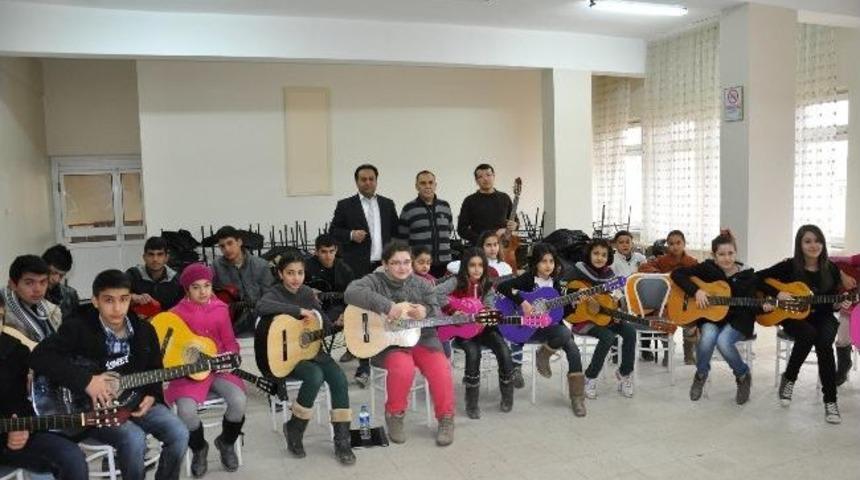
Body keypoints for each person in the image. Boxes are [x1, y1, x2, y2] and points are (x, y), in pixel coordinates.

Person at [30, 270, 189, 480]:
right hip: (90, 408)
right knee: (134, 439)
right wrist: (86, 381)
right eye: (108, 301)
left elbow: (155, 368)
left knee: (179, 433)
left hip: (135, 400)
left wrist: (152, 393)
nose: (117, 308)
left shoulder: (144, 331)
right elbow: (39, 357)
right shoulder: (78, 328)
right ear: (95, 301)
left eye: (124, 300)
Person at [344, 241, 455, 446]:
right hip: (389, 343)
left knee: (441, 368)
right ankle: (394, 415)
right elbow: (350, 292)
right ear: (385, 264)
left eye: (406, 262)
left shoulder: (422, 284)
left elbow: (435, 310)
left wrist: (425, 311)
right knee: (402, 369)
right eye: (396, 263)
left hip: (423, 339)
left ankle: (446, 419)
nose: (403, 267)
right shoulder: (375, 280)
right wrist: (386, 305)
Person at [257, 251, 356, 464]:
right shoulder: (274, 293)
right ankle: (295, 428)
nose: (295, 278)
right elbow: (261, 306)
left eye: (300, 273)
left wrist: (334, 323)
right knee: (314, 376)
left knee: (339, 378)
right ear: (281, 274)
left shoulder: (308, 293)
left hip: (313, 350)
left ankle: (342, 439)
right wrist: (298, 309)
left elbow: (322, 323)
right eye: (290, 273)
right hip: (288, 357)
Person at [758, 225, 853, 424]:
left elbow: (833, 302)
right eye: (808, 241)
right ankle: (790, 378)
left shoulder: (831, 268)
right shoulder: (789, 266)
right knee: (809, 334)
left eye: (817, 240)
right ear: (799, 244)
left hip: (823, 315)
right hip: (793, 316)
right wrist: (778, 293)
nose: (813, 245)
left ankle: (830, 401)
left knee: (824, 344)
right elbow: (757, 277)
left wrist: (840, 302)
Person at [671, 230, 771, 404]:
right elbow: (677, 274)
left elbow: (753, 305)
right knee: (708, 336)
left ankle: (742, 375)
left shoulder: (747, 276)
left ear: (736, 253)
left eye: (730, 253)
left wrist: (764, 308)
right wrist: (697, 291)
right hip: (711, 316)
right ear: (714, 255)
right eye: (721, 254)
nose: (727, 258)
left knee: (723, 341)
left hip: (739, 319)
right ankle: (701, 374)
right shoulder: (708, 268)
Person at [165, 264, 246, 477]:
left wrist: (232, 357)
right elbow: (169, 353)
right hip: (188, 373)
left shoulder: (220, 309)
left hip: (219, 368)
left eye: (207, 286)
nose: (203, 292)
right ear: (186, 290)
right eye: (196, 287)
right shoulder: (175, 314)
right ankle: (199, 448)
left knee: (239, 401)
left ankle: (226, 442)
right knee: (186, 411)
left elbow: (230, 342)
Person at [0, 293, 88, 480]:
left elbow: (23, 400)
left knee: (72, 457)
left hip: (12, 435)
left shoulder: (14, 350)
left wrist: (21, 427)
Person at [496, 243, 586, 416]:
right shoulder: (527, 279)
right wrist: (522, 301)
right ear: (535, 263)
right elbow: (503, 287)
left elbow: (559, 313)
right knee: (565, 333)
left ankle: (577, 397)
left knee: (572, 347)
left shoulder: (557, 283)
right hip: (528, 327)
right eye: (543, 261)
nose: (548, 265)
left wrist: (572, 304)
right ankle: (543, 354)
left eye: (551, 261)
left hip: (550, 327)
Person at [435, 248, 513, 418]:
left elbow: (490, 306)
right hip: (462, 330)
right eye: (472, 265)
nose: (476, 269)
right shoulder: (456, 282)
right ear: (465, 267)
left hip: (484, 329)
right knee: (473, 352)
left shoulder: (487, 285)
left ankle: (507, 395)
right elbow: (436, 293)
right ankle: (472, 403)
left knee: (504, 350)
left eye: (480, 265)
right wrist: (451, 310)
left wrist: (486, 313)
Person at [568, 239, 637, 399]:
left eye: (604, 255)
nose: (600, 258)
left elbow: (618, 295)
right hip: (583, 319)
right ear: (589, 254)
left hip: (606, 317)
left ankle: (624, 373)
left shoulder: (610, 275)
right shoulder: (578, 270)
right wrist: (584, 296)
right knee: (607, 337)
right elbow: (566, 288)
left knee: (630, 331)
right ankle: (589, 377)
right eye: (596, 254)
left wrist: (619, 310)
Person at [639, 230, 699, 365]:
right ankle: (667, 352)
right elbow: (643, 267)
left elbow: (701, 278)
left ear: (684, 244)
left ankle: (689, 354)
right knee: (665, 322)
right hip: (666, 302)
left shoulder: (692, 262)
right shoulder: (662, 260)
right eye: (671, 244)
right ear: (667, 246)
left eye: (678, 243)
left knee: (692, 323)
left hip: (686, 302)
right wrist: (661, 274)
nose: (675, 246)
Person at [330, 164, 399, 278]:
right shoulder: (345, 205)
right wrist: (351, 235)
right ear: (357, 182)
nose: (368, 182)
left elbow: (395, 232)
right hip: (356, 266)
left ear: (376, 181)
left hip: (384, 265)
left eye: (371, 179)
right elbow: (333, 231)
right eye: (363, 179)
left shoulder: (387, 204)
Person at [211, 226, 275, 335]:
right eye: (222, 246)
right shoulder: (216, 266)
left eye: (230, 243)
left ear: (239, 242)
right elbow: (210, 295)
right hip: (230, 323)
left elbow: (269, 297)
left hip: (259, 321)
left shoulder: (261, 265)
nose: (226, 249)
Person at [397, 170, 454, 277]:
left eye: (430, 182)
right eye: (423, 183)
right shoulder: (409, 208)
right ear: (417, 186)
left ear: (435, 185)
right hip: (419, 267)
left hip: (445, 265)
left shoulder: (445, 206)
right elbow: (402, 241)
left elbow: (449, 230)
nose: (427, 186)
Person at [2, 255, 62, 344]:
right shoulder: (3, 315)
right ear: (13, 284)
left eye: (43, 282)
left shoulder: (53, 311)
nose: (38, 289)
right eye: (29, 283)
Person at [456, 163, 517, 250]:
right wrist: (482, 239)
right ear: (476, 181)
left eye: (488, 175)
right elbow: (462, 229)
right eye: (480, 177)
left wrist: (515, 226)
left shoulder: (505, 198)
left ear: (494, 176)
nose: (485, 179)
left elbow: (515, 221)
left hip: (502, 248)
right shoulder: (469, 201)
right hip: (479, 249)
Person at [127, 236, 185, 316]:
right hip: (137, 323)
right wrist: (134, 297)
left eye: (160, 254)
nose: (155, 259)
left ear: (166, 258)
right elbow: (115, 295)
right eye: (151, 254)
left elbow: (182, 306)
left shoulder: (177, 280)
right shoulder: (133, 274)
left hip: (165, 323)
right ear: (144, 257)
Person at [41, 244, 81, 319]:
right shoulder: (30, 294)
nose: (56, 279)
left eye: (61, 275)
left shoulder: (70, 295)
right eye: (53, 273)